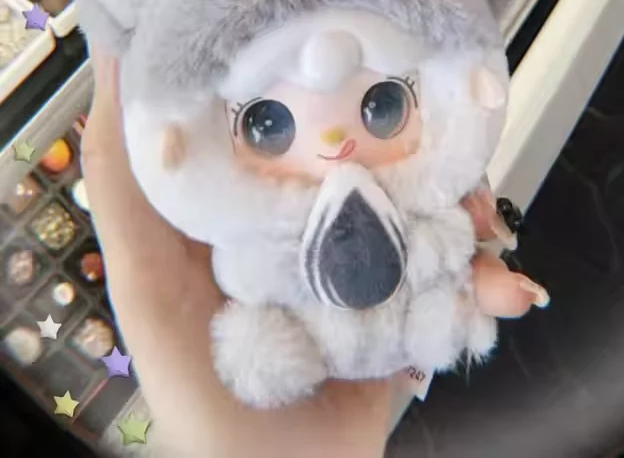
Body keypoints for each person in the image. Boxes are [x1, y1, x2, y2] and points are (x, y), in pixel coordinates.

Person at [81, 42, 547, 457]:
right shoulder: (254, 233)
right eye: (269, 126)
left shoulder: (416, 198)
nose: (333, 143)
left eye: (383, 105)